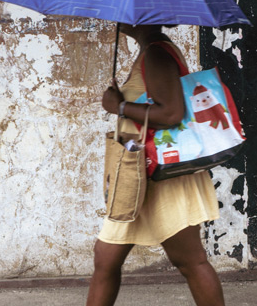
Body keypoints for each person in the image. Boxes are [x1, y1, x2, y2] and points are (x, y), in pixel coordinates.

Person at [87, 24, 224, 306]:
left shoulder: (156, 54)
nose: (118, 18)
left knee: (190, 262)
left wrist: (120, 107)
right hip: (137, 173)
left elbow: (172, 112)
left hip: (161, 175)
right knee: (106, 258)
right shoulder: (152, 51)